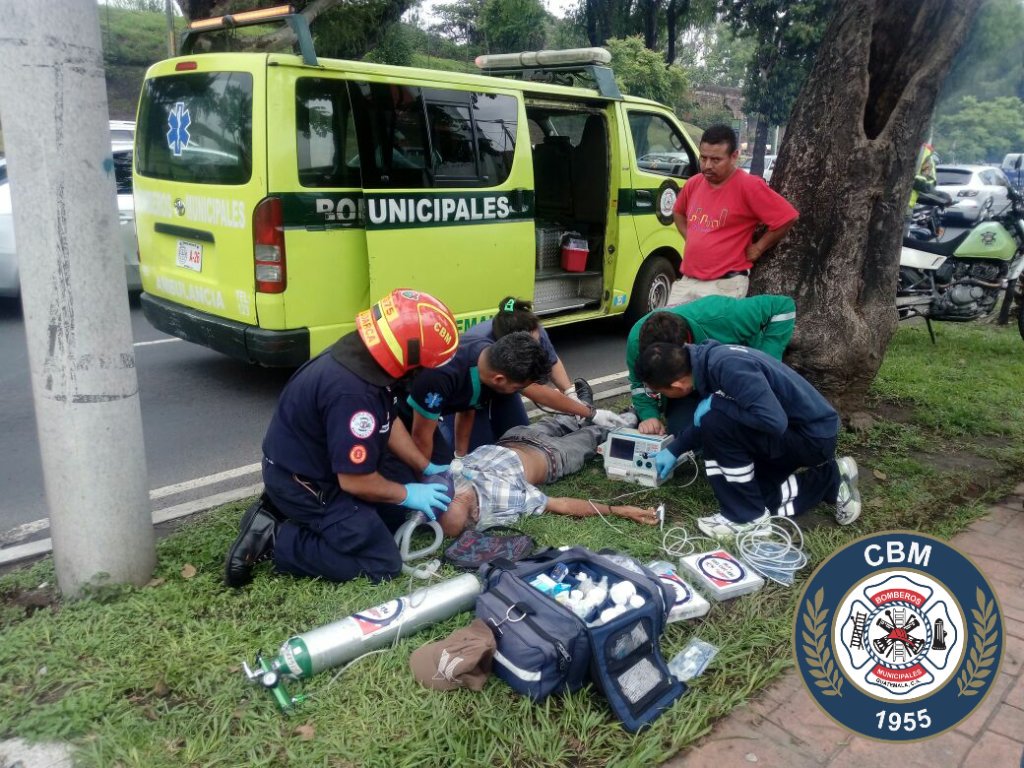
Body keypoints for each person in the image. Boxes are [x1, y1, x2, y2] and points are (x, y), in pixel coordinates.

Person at [223, 289, 461, 588]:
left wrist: (424, 466)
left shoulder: (366, 356)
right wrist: (406, 492)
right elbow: (356, 482)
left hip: (319, 466)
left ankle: (295, 515)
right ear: (405, 355)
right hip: (307, 483)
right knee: (381, 563)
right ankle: (276, 537)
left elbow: (388, 421)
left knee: (395, 516)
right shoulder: (353, 393)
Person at [638, 340, 861, 538]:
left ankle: (745, 518)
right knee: (761, 500)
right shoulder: (707, 363)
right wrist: (675, 449)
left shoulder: (729, 367)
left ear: (678, 386)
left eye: (660, 393)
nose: (660, 397)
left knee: (715, 423)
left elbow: (773, 421)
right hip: (795, 432)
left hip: (811, 438)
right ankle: (831, 479)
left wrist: (716, 404)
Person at [439, 411, 658, 536]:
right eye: (461, 498)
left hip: (515, 436)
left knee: (573, 416)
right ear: (476, 514)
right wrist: (618, 510)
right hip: (552, 455)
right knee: (595, 434)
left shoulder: (449, 479)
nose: (460, 489)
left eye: (453, 495)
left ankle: (585, 410)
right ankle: (632, 417)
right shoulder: (504, 501)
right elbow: (560, 504)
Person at [460, 296, 628, 447]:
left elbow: (552, 361)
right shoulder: (483, 348)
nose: (537, 344)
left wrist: (570, 393)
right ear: (512, 344)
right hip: (468, 395)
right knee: (476, 448)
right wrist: (590, 412)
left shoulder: (533, 330)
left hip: (506, 388)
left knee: (519, 438)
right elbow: (538, 392)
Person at [626, 294, 797, 436]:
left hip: (733, 377)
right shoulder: (637, 339)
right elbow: (640, 384)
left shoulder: (723, 315)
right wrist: (649, 415)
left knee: (735, 429)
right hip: (689, 385)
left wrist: (765, 362)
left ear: (685, 346)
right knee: (684, 434)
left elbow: (783, 307)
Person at [669, 124, 799, 306]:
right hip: (687, 281)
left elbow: (787, 217)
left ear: (734, 156)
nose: (707, 165)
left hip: (725, 285)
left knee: (710, 334)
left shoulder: (749, 186)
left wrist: (759, 247)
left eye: (716, 160)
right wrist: (690, 237)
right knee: (665, 331)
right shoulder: (694, 183)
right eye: (703, 158)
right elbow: (678, 212)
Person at [399, 330, 554, 464]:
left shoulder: (487, 360)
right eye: (516, 388)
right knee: (424, 476)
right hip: (398, 414)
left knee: (447, 469)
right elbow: (420, 436)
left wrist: (460, 457)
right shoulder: (442, 375)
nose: (516, 392)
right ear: (499, 379)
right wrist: (424, 476)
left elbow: (467, 408)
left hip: (428, 415)